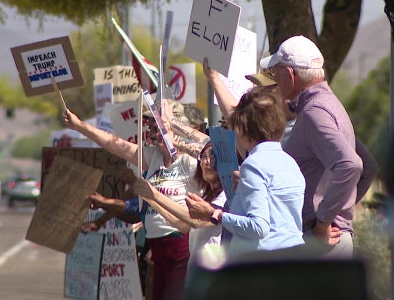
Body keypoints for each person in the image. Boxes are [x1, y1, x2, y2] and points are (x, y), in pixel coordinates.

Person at [63, 100, 197, 300]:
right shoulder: (153, 157)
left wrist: (172, 128)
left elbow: (206, 149)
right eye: (152, 127)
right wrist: (80, 126)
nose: (153, 131)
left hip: (180, 245)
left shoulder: (190, 162)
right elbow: (115, 145)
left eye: (159, 126)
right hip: (157, 245)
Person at [260, 34, 368, 258]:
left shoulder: (314, 112)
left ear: (290, 74)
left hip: (321, 241)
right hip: (324, 239)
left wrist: (322, 222)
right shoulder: (324, 104)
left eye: (275, 72)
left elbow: (350, 164)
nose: (275, 80)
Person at [185, 86, 305, 259]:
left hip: (262, 265)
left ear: (242, 126)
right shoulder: (289, 162)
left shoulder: (253, 165)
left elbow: (259, 227)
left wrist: (213, 213)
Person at [131, 142, 227, 270]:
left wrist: (155, 195)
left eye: (213, 157)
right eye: (204, 156)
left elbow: (195, 221)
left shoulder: (225, 196)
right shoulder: (206, 197)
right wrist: (150, 199)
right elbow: (182, 225)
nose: (207, 162)